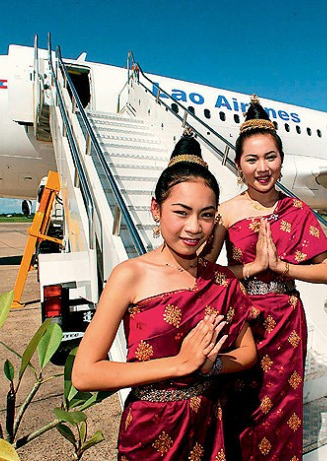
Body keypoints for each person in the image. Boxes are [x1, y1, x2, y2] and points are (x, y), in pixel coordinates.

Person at [72, 130, 257, 460]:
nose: (194, 227)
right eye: (181, 212)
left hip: (208, 423)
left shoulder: (222, 280)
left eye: (206, 215)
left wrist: (211, 367)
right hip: (150, 429)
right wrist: (179, 364)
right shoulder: (130, 276)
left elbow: (248, 353)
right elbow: (85, 373)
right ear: (156, 209)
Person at [203, 96, 327, 460]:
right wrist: (251, 268)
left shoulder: (298, 210)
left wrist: (281, 268)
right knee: (242, 408)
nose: (262, 168)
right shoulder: (226, 212)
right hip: (241, 319)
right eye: (252, 159)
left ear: (281, 160)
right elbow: (206, 273)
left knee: (283, 409)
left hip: (287, 322)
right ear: (238, 164)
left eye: (270, 157)